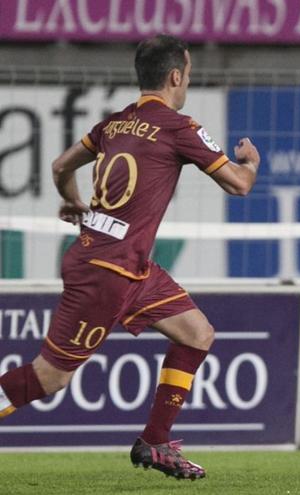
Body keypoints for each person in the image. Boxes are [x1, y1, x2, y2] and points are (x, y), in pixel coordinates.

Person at [0, 34, 260, 480]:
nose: (188, 81)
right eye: (189, 74)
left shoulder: (115, 124)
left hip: (126, 264)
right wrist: (251, 162)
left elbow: (61, 166)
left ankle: (155, 443)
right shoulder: (180, 126)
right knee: (51, 377)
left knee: (197, 333)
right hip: (106, 271)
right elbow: (238, 184)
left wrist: (72, 202)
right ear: (177, 76)